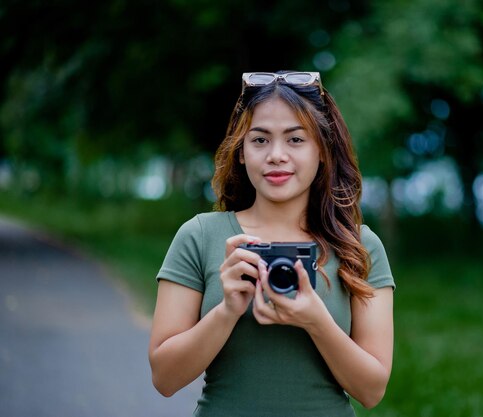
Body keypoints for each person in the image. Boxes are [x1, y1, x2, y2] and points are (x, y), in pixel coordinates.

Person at [148, 71, 395, 417]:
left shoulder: (359, 245)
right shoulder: (201, 235)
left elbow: (371, 390)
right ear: (242, 152)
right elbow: (165, 378)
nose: (276, 155)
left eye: (296, 140)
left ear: (322, 150)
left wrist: (315, 322)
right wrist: (227, 310)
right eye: (260, 140)